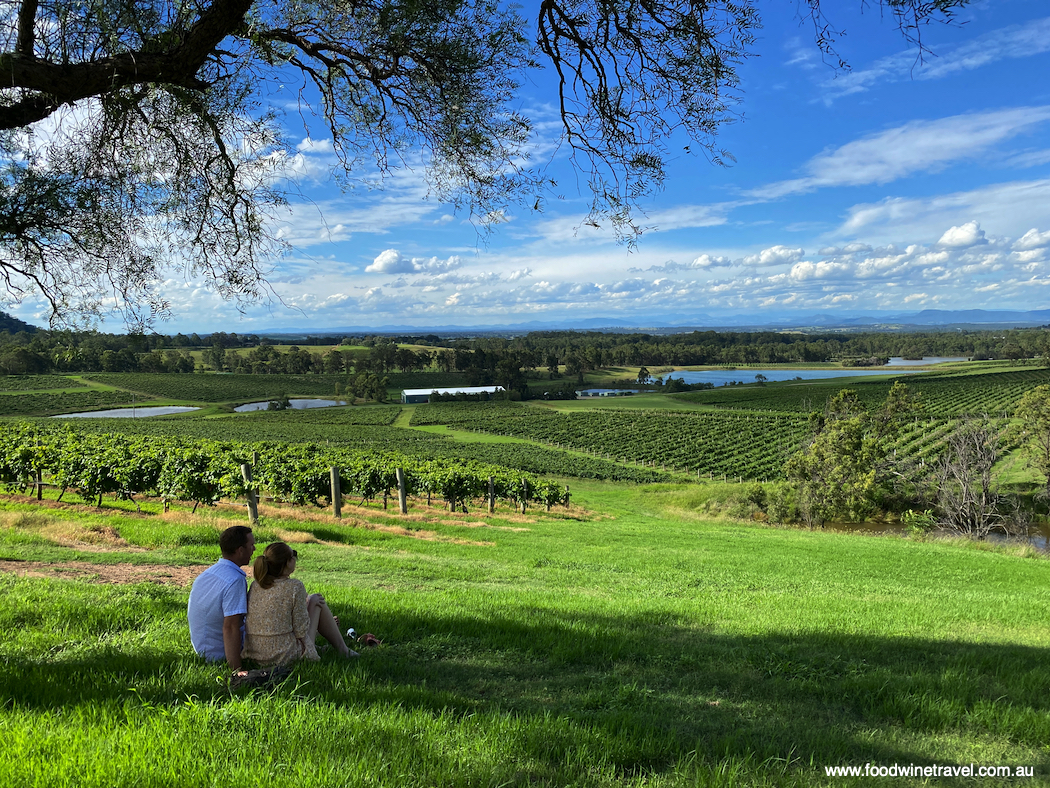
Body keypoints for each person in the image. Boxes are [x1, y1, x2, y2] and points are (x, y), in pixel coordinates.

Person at [243, 542, 358, 665]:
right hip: (283, 655)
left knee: (312, 601)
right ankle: (343, 650)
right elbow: (301, 630)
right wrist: (312, 609)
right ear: (287, 562)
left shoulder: (256, 585)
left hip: (255, 653)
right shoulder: (295, 587)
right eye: (294, 555)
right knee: (316, 599)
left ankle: (332, 643)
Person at [187, 525, 255, 670]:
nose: (254, 549)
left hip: (202, 647)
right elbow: (231, 626)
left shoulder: (208, 573)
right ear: (240, 550)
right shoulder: (235, 580)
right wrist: (237, 669)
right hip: (218, 654)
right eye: (251, 545)